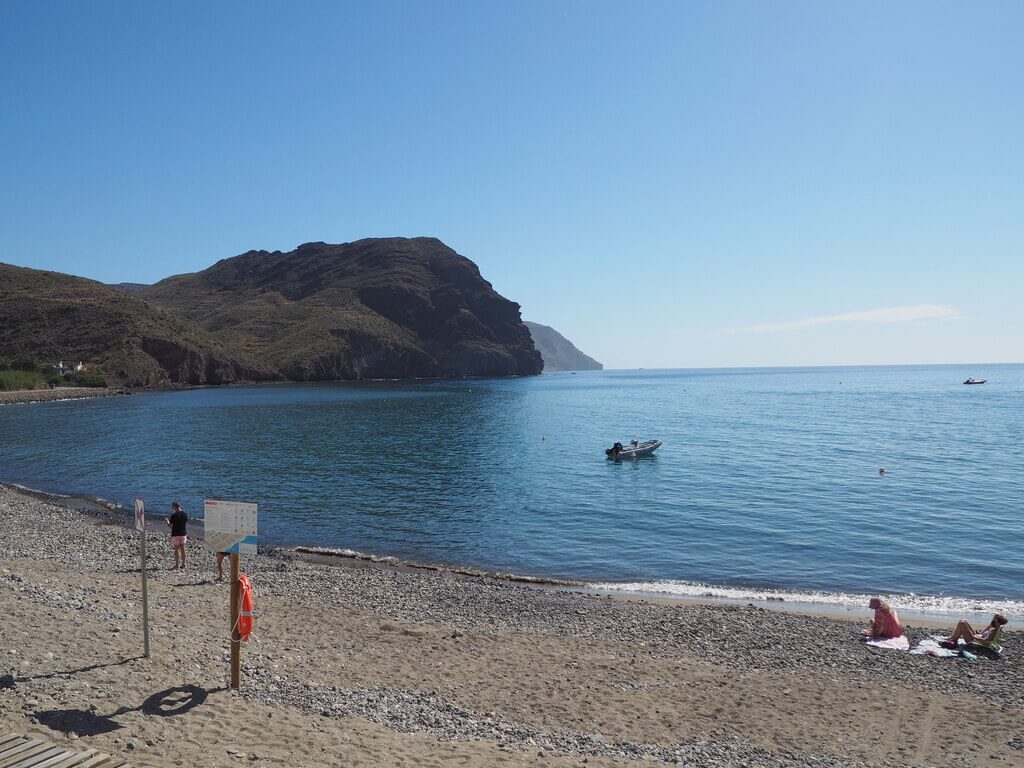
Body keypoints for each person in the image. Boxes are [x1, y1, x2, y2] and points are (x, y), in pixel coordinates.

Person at [165, 501, 188, 570]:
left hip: (175, 534)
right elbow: (185, 522)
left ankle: (177, 565)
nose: (172, 509)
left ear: (175, 507)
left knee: (176, 550)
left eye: (172, 507)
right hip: (183, 534)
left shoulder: (173, 515)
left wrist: (167, 522)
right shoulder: (185, 514)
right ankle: (184, 564)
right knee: (183, 549)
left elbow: (171, 526)